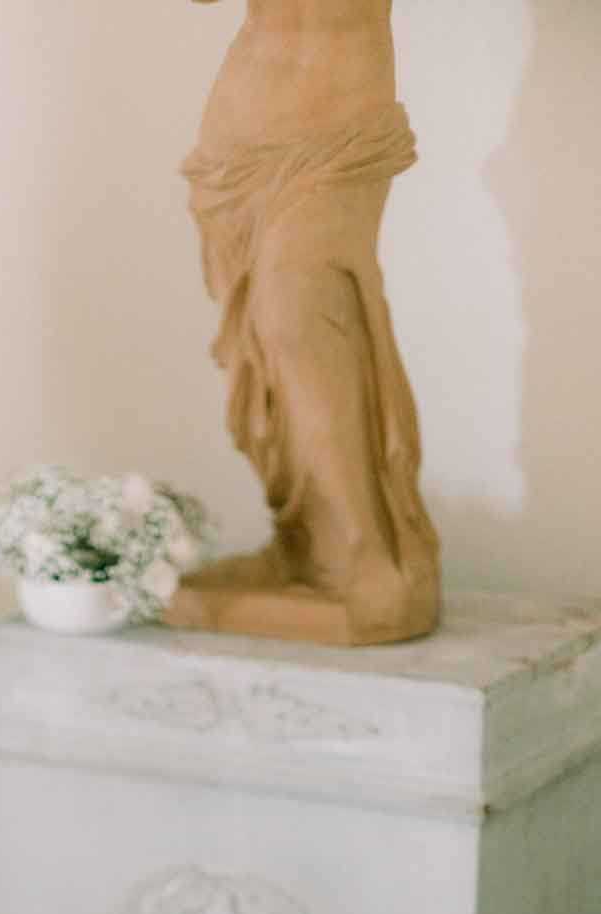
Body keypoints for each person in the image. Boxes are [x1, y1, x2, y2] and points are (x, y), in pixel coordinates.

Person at [167, 0, 440, 644]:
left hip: (336, 122)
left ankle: (372, 558)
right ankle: (307, 547)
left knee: (300, 317)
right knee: (263, 339)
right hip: (240, 131)